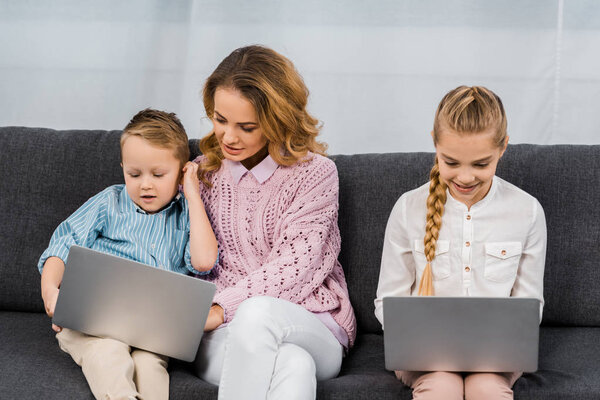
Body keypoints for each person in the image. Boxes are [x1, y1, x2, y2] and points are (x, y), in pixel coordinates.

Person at [191, 45, 357, 399]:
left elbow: (294, 267)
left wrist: (221, 308)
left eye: (246, 126)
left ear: (277, 119)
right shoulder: (203, 172)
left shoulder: (315, 174)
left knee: (257, 312)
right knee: (294, 366)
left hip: (310, 323)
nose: (228, 137)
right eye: (220, 120)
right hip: (224, 333)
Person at [374, 86, 546, 400]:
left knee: (487, 389)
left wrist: (501, 346)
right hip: (422, 354)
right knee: (440, 387)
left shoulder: (528, 211)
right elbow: (389, 298)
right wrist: (414, 342)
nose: (465, 178)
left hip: (498, 355)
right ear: (434, 144)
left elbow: (529, 303)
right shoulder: (408, 208)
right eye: (451, 162)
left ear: (503, 148)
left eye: (480, 164)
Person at [38, 108, 219, 400]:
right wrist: (50, 290)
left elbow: (204, 262)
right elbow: (62, 246)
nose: (145, 184)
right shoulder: (109, 203)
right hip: (93, 323)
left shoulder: (187, 216)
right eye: (134, 174)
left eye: (159, 174)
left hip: (152, 332)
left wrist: (193, 194)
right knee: (109, 351)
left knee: (149, 365)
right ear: (122, 166)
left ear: (183, 170)